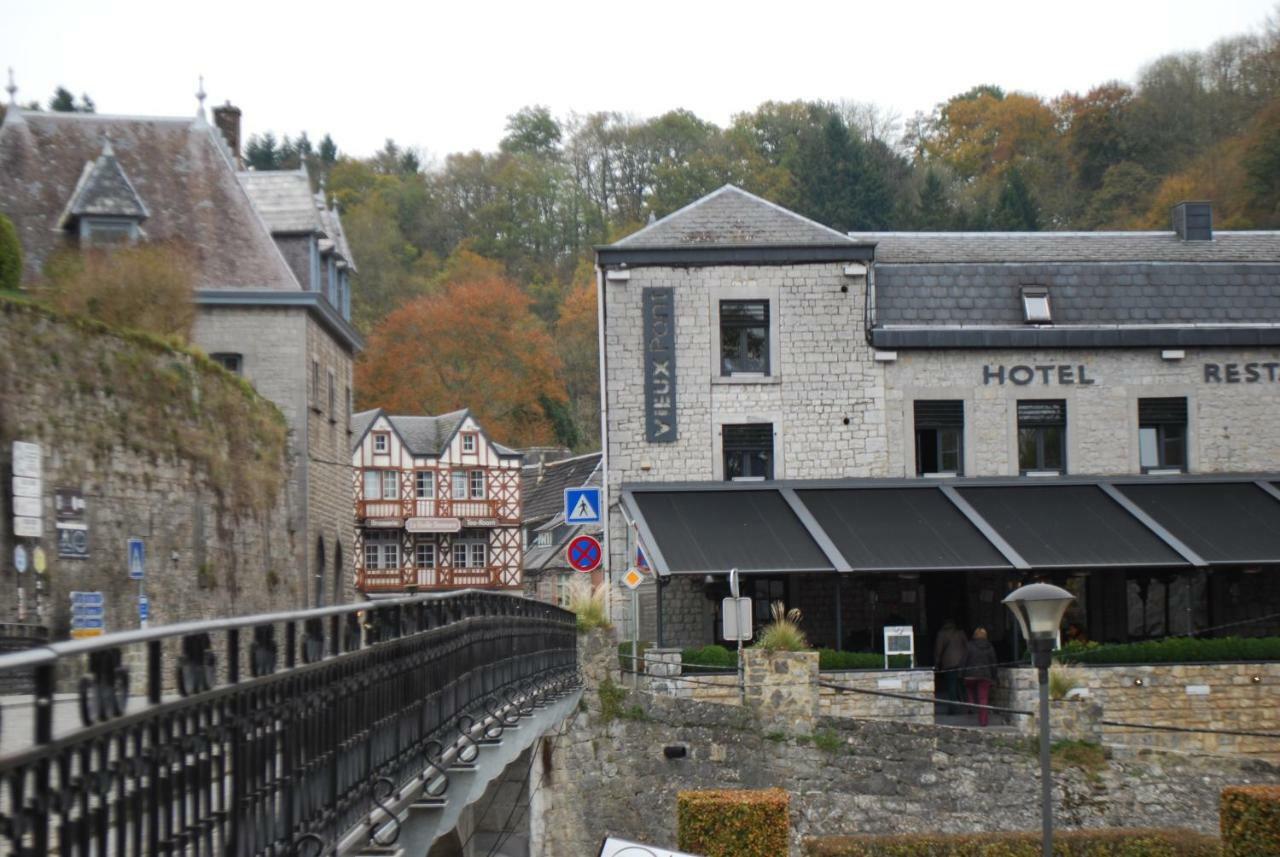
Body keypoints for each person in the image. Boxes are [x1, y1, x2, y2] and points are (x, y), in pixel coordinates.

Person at [961, 627, 999, 727]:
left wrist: (961, 673)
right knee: (983, 698)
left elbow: (964, 660)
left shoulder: (969, 646)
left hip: (970, 674)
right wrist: (994, 677)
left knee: (969, 689)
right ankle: (983, 721)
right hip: (985, 675)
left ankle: (971, 704)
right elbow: (993, 663)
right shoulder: (990, 647)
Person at [933, 620, 969, 715]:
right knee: (962, 685)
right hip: (962, 663)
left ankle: (953, 709)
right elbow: (967, 647)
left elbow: (938, 649)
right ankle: (967, 707)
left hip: (949, 663)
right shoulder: (961, 633)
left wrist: (937, 662)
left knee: (951, 686)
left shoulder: (942, 634)